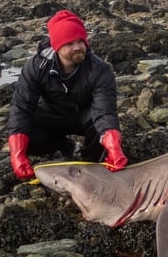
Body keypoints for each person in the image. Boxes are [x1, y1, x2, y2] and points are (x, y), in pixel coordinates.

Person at [7, 10, 128, 179]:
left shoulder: (100, 70)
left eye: (80, 41)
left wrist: (113, 145)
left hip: (82, 117)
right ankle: (63, 145)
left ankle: (91, 163)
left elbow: (105, 111)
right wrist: (17, 153)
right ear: (57, 46)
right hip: (50, 115)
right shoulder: (36, 67)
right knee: (27, 132)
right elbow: (22, 108)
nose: (78, 47)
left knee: (99, 125)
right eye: (70, 43)